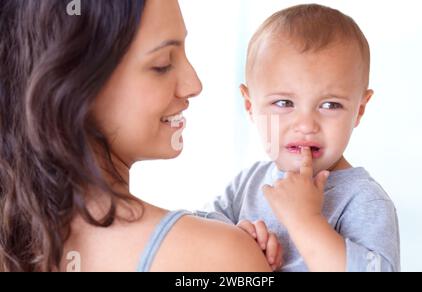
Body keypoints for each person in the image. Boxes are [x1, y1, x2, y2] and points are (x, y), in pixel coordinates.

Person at [0, 0, 275, 272]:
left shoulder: (13, 243)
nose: (193, 84)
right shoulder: (216, 256)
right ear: (75, 86)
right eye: (162, 64)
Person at [202, 4, 400, 272]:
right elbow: (196, 240)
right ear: (250, 107)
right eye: (284, 102)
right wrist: (240, 239)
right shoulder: (247, 185)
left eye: (330, 105)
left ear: (359, 110)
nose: (306, 125)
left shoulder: (363, 200)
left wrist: (305, 221)